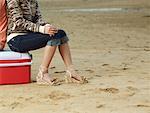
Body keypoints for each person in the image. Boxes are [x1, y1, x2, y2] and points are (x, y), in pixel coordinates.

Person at [6, 0, 87, 85]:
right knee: (53, 37)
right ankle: (42, 74)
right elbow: (19, 22)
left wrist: (46, 26)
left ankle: (71, 72)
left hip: (29, 34)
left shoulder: (33, 1)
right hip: (15, 39)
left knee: (60, 33)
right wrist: (42, 29)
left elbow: (38, 19)